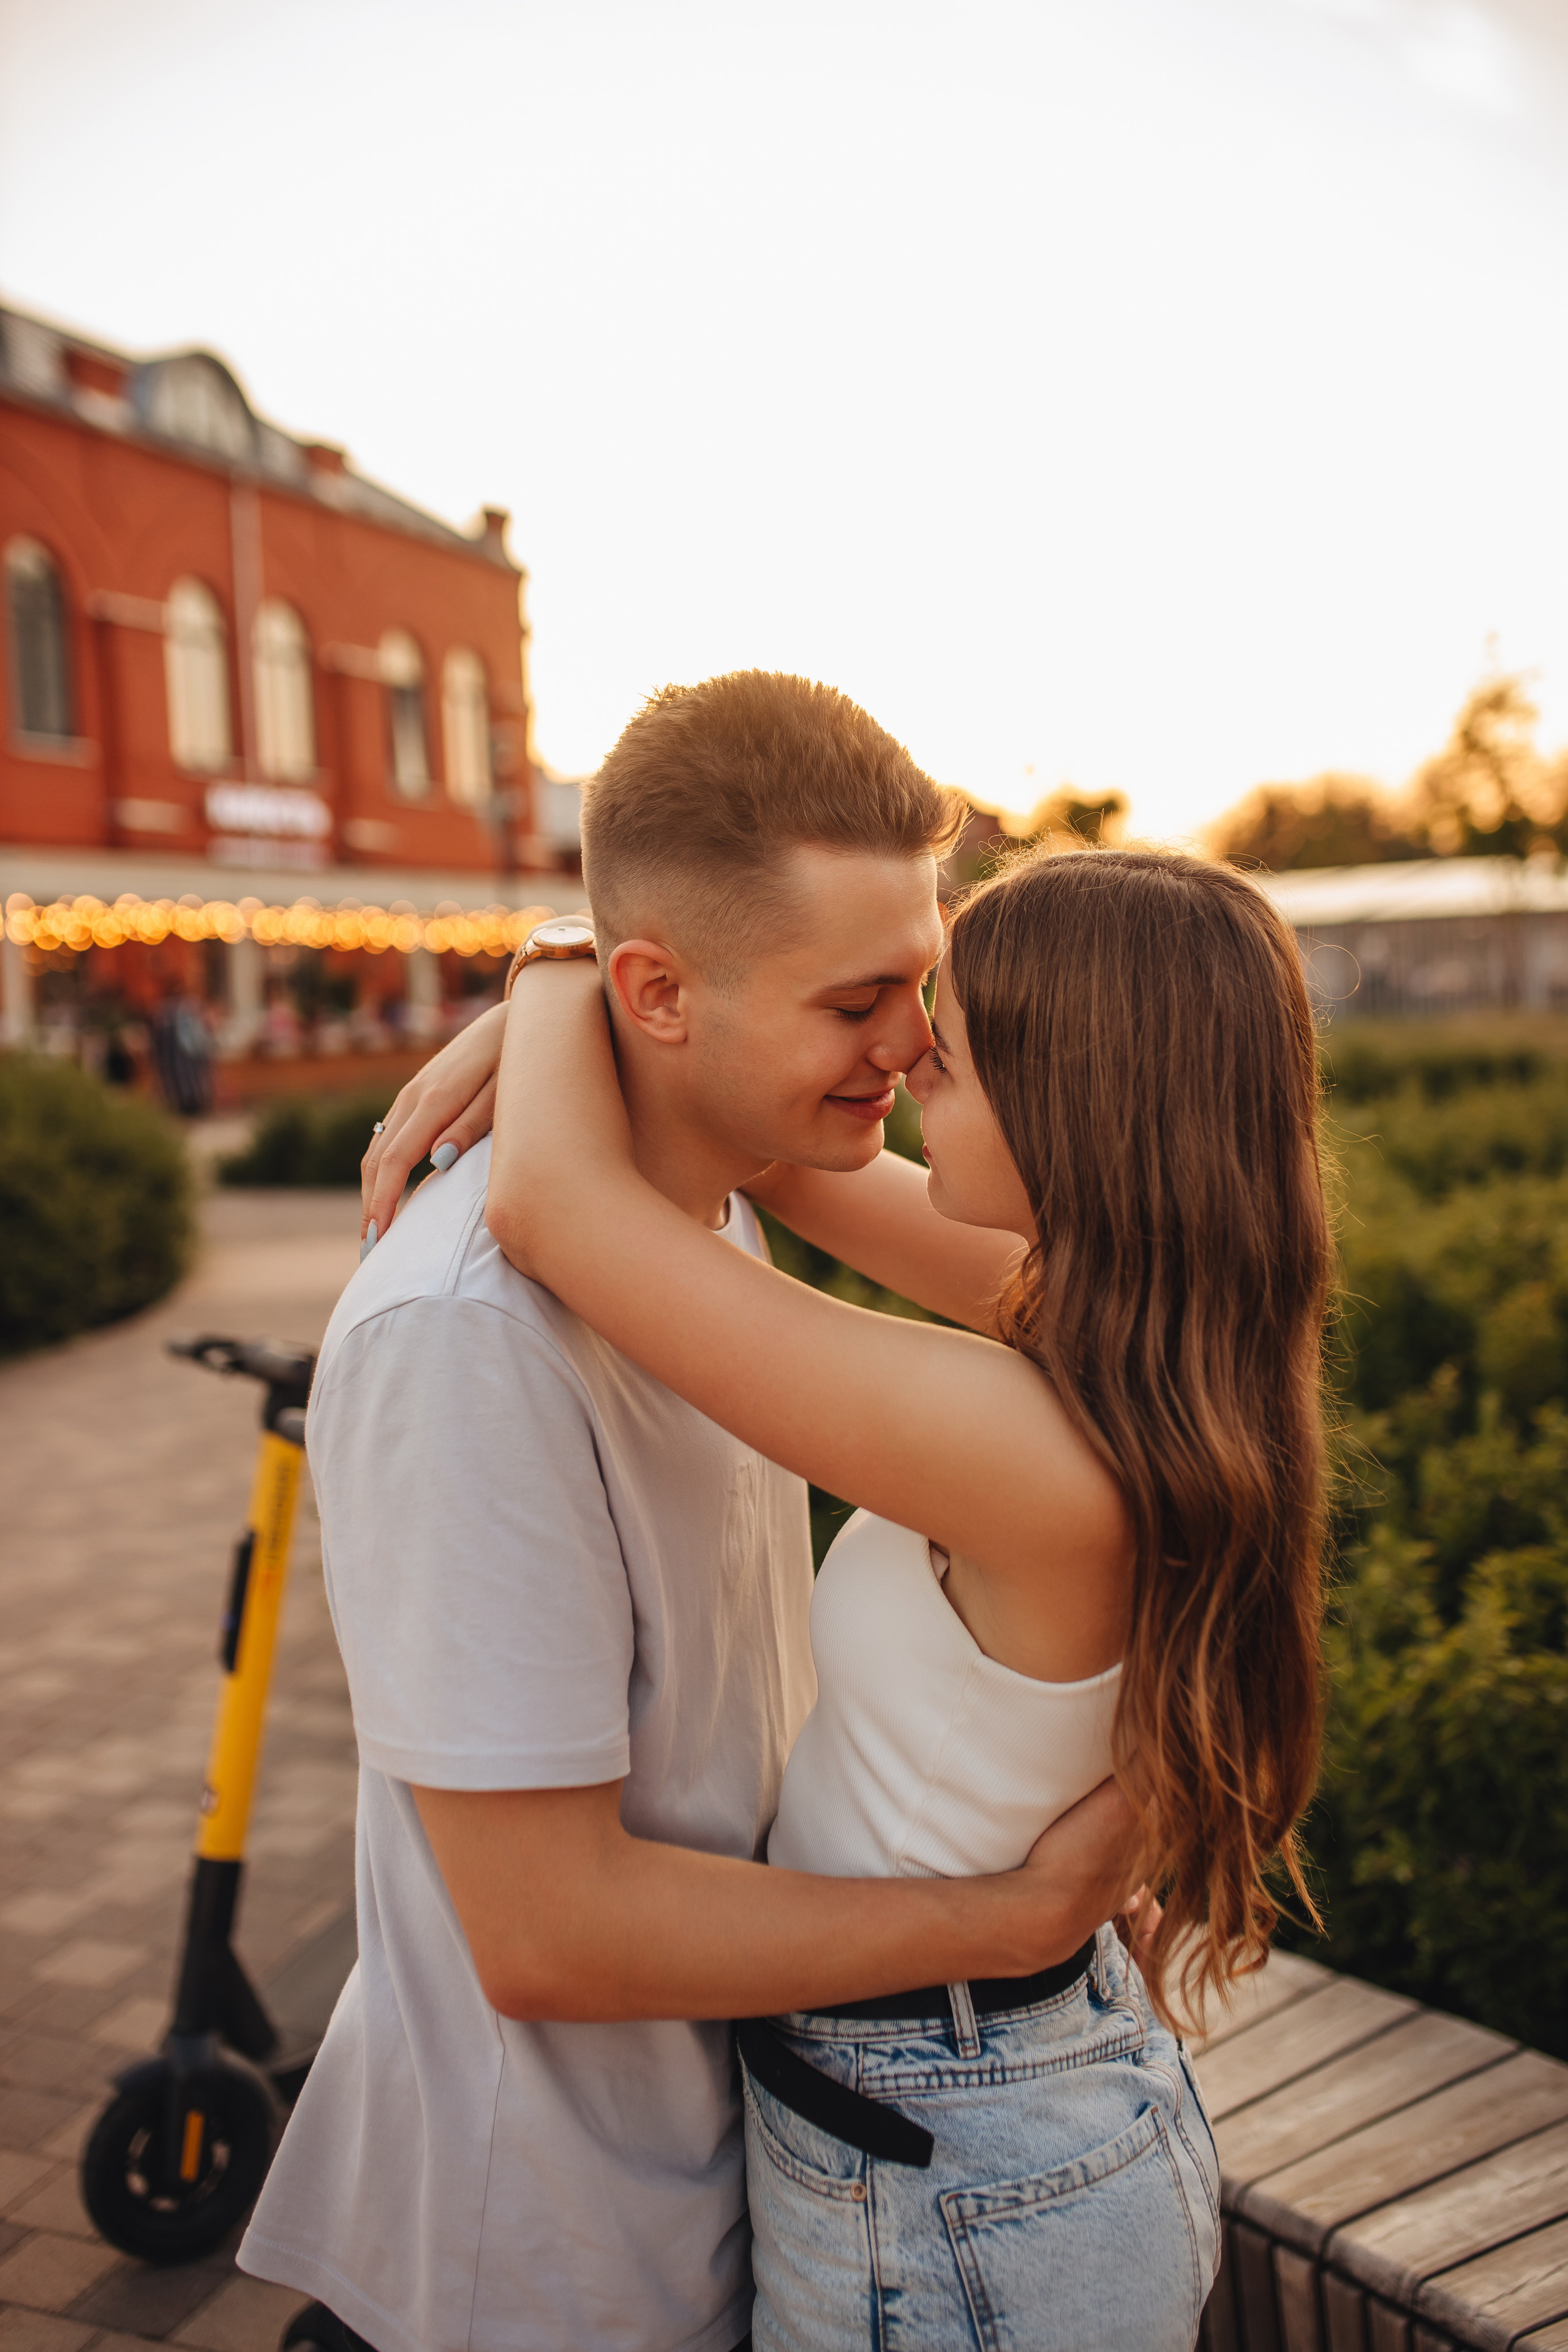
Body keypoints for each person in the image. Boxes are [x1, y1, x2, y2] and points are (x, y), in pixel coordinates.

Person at [238, 674, 1144, 2352]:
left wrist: (551, 978)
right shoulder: (465, 1339)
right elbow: (546, 1930)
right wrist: (1002, 1926)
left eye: (920, 988)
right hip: (554, 2251)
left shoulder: (712, 1209)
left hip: (754, 2170)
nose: (916, 1045)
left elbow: (605, 1167)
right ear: (660, 994)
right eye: (859, 999)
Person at [413, 837, 1331, 2348]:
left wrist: (558, 971)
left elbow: (556, 1210)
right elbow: (767, 1144)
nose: (898, 1064)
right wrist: (621, 997)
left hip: (956, 2172)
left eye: (944, 1057)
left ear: (1074, 1109)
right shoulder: (1147, 1345)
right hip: (979, 2128)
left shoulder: (1030, 1453)